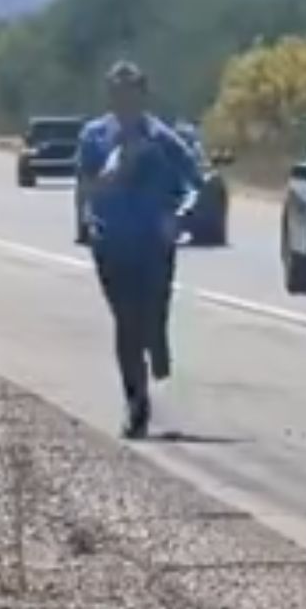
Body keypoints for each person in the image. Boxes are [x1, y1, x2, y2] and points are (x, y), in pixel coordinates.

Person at [76, 60, 202, 438]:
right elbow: (84, 186)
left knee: (151, 314)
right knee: (126, 321)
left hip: (154, 243)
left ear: (142, 94)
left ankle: (156, 344)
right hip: (111, 241)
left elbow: (195, 182)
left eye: (130, 91)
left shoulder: (163, 139)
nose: (123, 100)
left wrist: (179, 216)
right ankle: (136, 403)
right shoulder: (95, 136)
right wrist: (90, 210)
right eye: (117, 92)